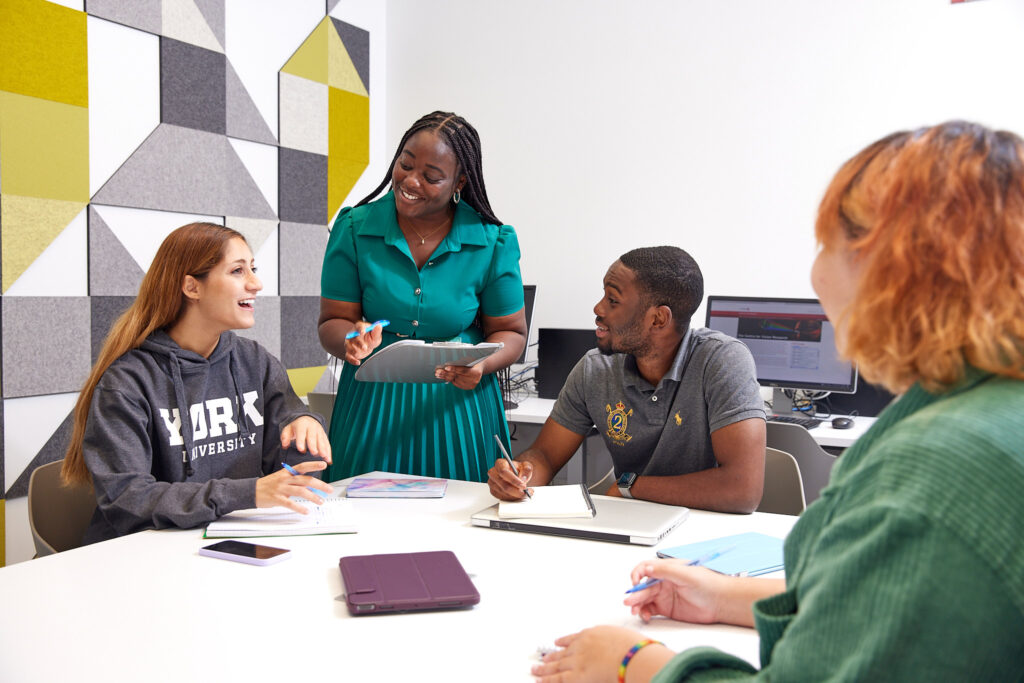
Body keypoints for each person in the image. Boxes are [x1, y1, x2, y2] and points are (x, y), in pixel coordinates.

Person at [532, 121, 1024, 681]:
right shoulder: (970, 409)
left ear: (893, 270)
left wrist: (635, 664)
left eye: (827, 246)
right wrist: (725, 598)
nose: (816, 276)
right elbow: (863, 594)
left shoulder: (934, 469)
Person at [62, 223, 333, 544]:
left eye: (253, 269)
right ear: (192, 287)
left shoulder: (254, 361)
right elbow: (126, 499)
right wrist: (246, 493)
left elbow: (292, 465)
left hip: (235, 541)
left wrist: (304, 428)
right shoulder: (127, 382)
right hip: (145, 555)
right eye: (237, 271)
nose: (256, 283)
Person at [318, 111, 526, 483]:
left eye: (431, 177)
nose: (410, 181)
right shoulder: (354, 228)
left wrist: (483, 366)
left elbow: (511, 332)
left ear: (459, 180)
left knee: (462, 521)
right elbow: (332, 321)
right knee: (363, 523)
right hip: (373, 402)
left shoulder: (493, 241)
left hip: (456, 405)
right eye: (405, 164)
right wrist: (351, 341)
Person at [488, 246, 766, 513]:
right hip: (629, 522)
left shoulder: (722, 360)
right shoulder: (595, 369)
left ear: (658, 319)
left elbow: (742, 490)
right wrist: (520, 476)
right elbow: (546, 455)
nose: (598, 308)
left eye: (613, 300)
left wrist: (630, 487)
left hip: (703, 531)